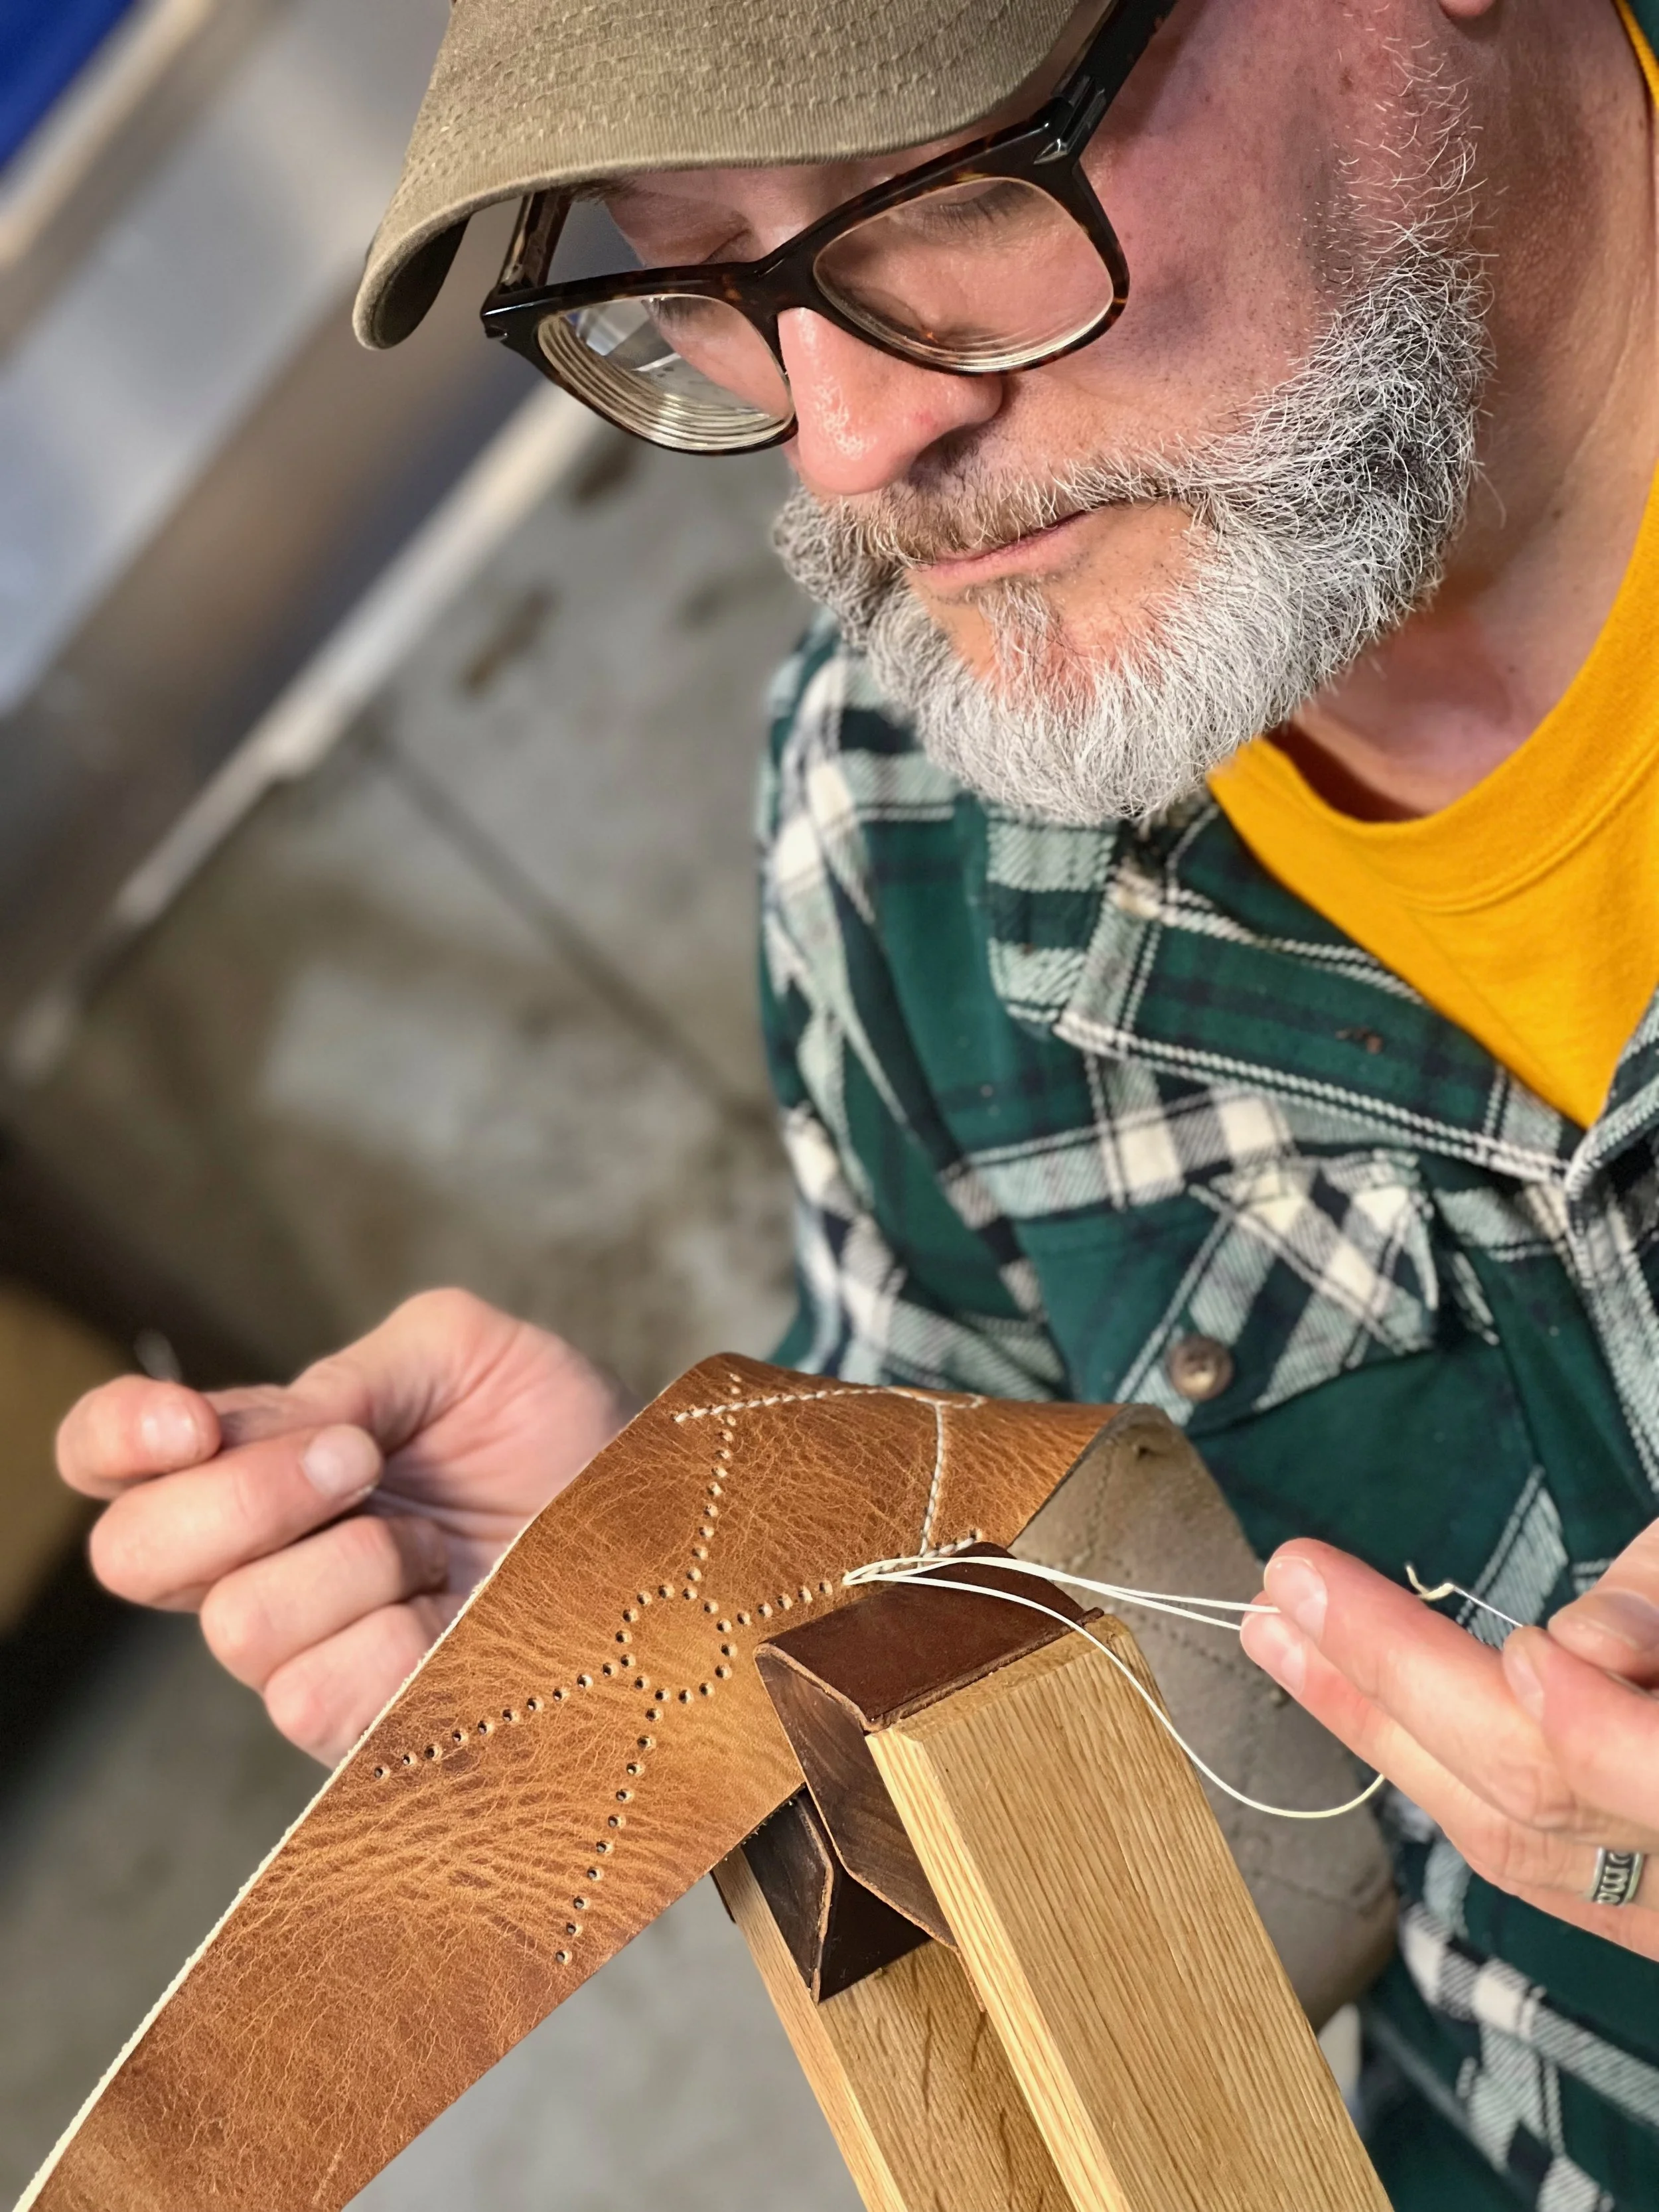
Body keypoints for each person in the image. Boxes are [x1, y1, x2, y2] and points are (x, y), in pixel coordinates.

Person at [50, 0, 1659, 2199]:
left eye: (958, 181)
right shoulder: (917, 818)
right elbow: (1236, 1893)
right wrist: (763, 1665)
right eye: (691, 274)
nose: (846, 436)